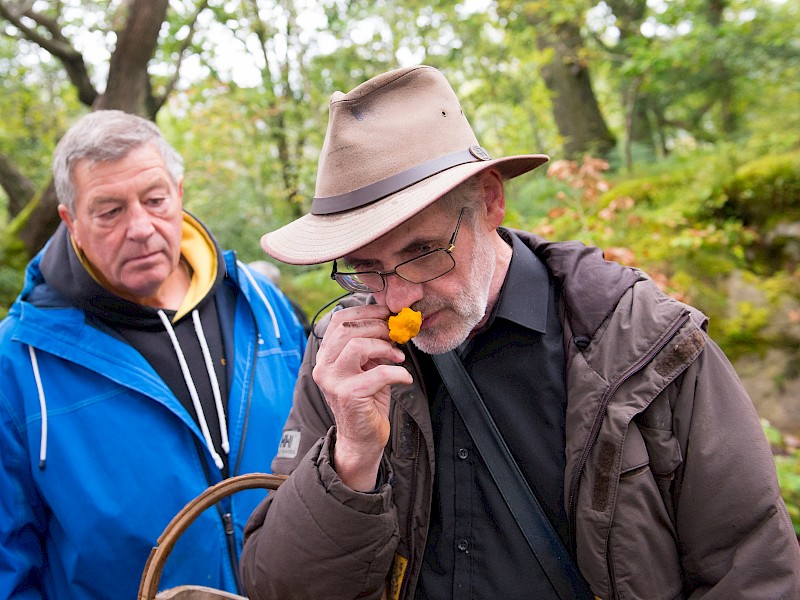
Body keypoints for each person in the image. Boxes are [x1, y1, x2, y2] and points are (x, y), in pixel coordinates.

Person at [239, 65, 800, 600]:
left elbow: (752, 570)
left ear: (489, 200)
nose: (398, 296)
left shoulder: (642, 343)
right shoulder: (344, 363)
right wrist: (350, 459)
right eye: (365, 266)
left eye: (424, 251)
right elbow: (279, 587)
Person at [0, 110, 307, 598]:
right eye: (110, 211)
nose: (141, 227)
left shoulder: (261, 306)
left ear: (179, 194)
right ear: (71, 221)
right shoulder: (19, 362)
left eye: (155, 200)